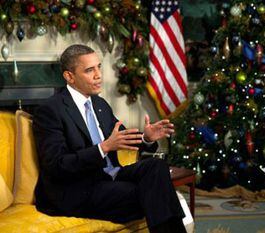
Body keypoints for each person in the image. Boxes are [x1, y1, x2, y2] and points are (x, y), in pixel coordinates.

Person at [33, 44, 186, 233]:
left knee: (156, 167)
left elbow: (121, 136)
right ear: (69, 76)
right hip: (77, 188)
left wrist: (146, 137)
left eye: (99, 67)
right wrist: (103, 148)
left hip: (110, 176)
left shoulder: (99, 104)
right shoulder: (50, 110)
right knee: (153, 192)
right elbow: (57, 165)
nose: (98, 75)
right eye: (90, 70)